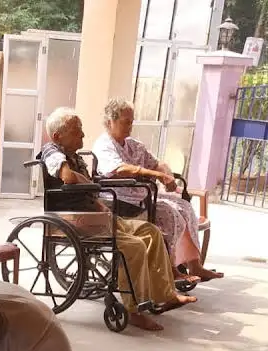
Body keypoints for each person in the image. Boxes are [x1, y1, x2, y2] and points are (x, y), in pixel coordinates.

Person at [42, 108, 196, 334]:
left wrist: (95, 197)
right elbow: (67, 177)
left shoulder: (75, 156)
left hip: (95, 215)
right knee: (132, 246)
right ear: (58, 136)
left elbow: (83, 183)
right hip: (74, 219)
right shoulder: (51, 151)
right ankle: (133, 309)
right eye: (77, 132)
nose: (83, 136)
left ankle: (165, 295)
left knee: (150, 231)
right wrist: (89, 185)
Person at [94, 98, 223, 282]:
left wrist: (166, 175)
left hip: (142, 193)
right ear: (109, 122)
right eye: (125, 122)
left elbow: (157, 163)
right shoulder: (104, 145)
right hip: (121, 198)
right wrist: (155, 175)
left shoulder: (133, 144)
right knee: (171, 214)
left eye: (131, 122)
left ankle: (195, 264)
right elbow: (118, 169)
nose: (130, 126)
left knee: (184, 206)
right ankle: (171, 269)